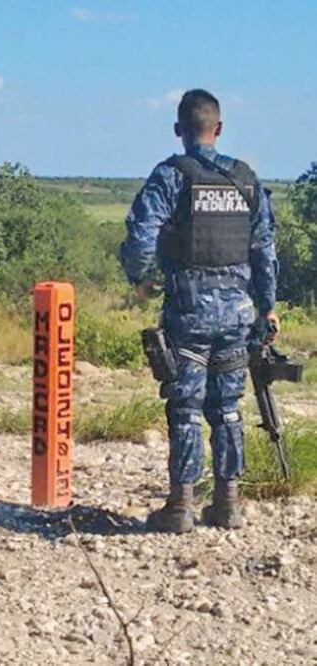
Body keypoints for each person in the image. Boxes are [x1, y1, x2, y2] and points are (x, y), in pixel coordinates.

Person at [119, 89, 278, 533]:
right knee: (228, 406)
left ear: (178, 131)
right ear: (220, 129)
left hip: (188, 312)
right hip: (238, 313)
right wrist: (267, 307)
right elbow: (264, 250)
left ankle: (180, 507)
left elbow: (140, 234)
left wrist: (142, 278)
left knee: (186, 406)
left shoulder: (172, 175)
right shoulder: (246, 180)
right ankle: (228, 504)